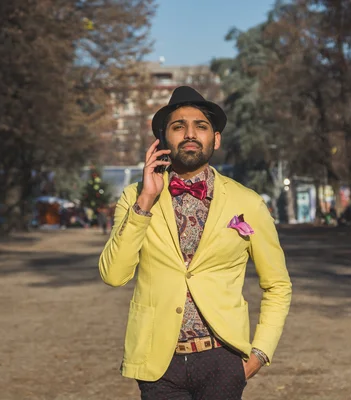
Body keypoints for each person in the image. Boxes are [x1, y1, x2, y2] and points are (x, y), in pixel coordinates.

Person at [98, 86, 292, 400]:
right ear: (162, 140)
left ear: (215, 139)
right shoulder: (134, 197)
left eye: (200, 126)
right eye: (178, 127)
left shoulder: (248, 203)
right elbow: (113, 275)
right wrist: (145, 201)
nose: (190, 134)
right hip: (158, 362)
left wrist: (259, 354)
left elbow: (278, 285)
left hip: (222, 359)